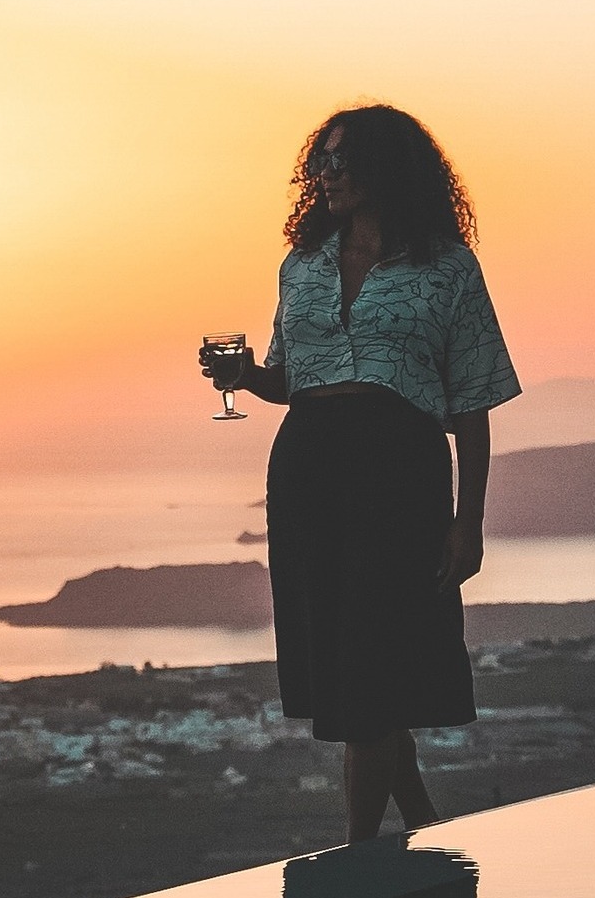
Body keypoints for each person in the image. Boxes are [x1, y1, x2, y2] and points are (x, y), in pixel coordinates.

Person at [199, 104, 521, 842]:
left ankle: (357, 861)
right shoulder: (301, 264)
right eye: (322, 161)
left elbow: (470, 401)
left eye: (344, 160)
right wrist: (246, 374)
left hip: (397, 473)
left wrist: (466, 521)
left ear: (390, 168)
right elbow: (292, 378)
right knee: (349, 665)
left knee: (373, 661)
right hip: (309, 466)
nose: (329, 173)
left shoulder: (445, 268)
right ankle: (418, 822)